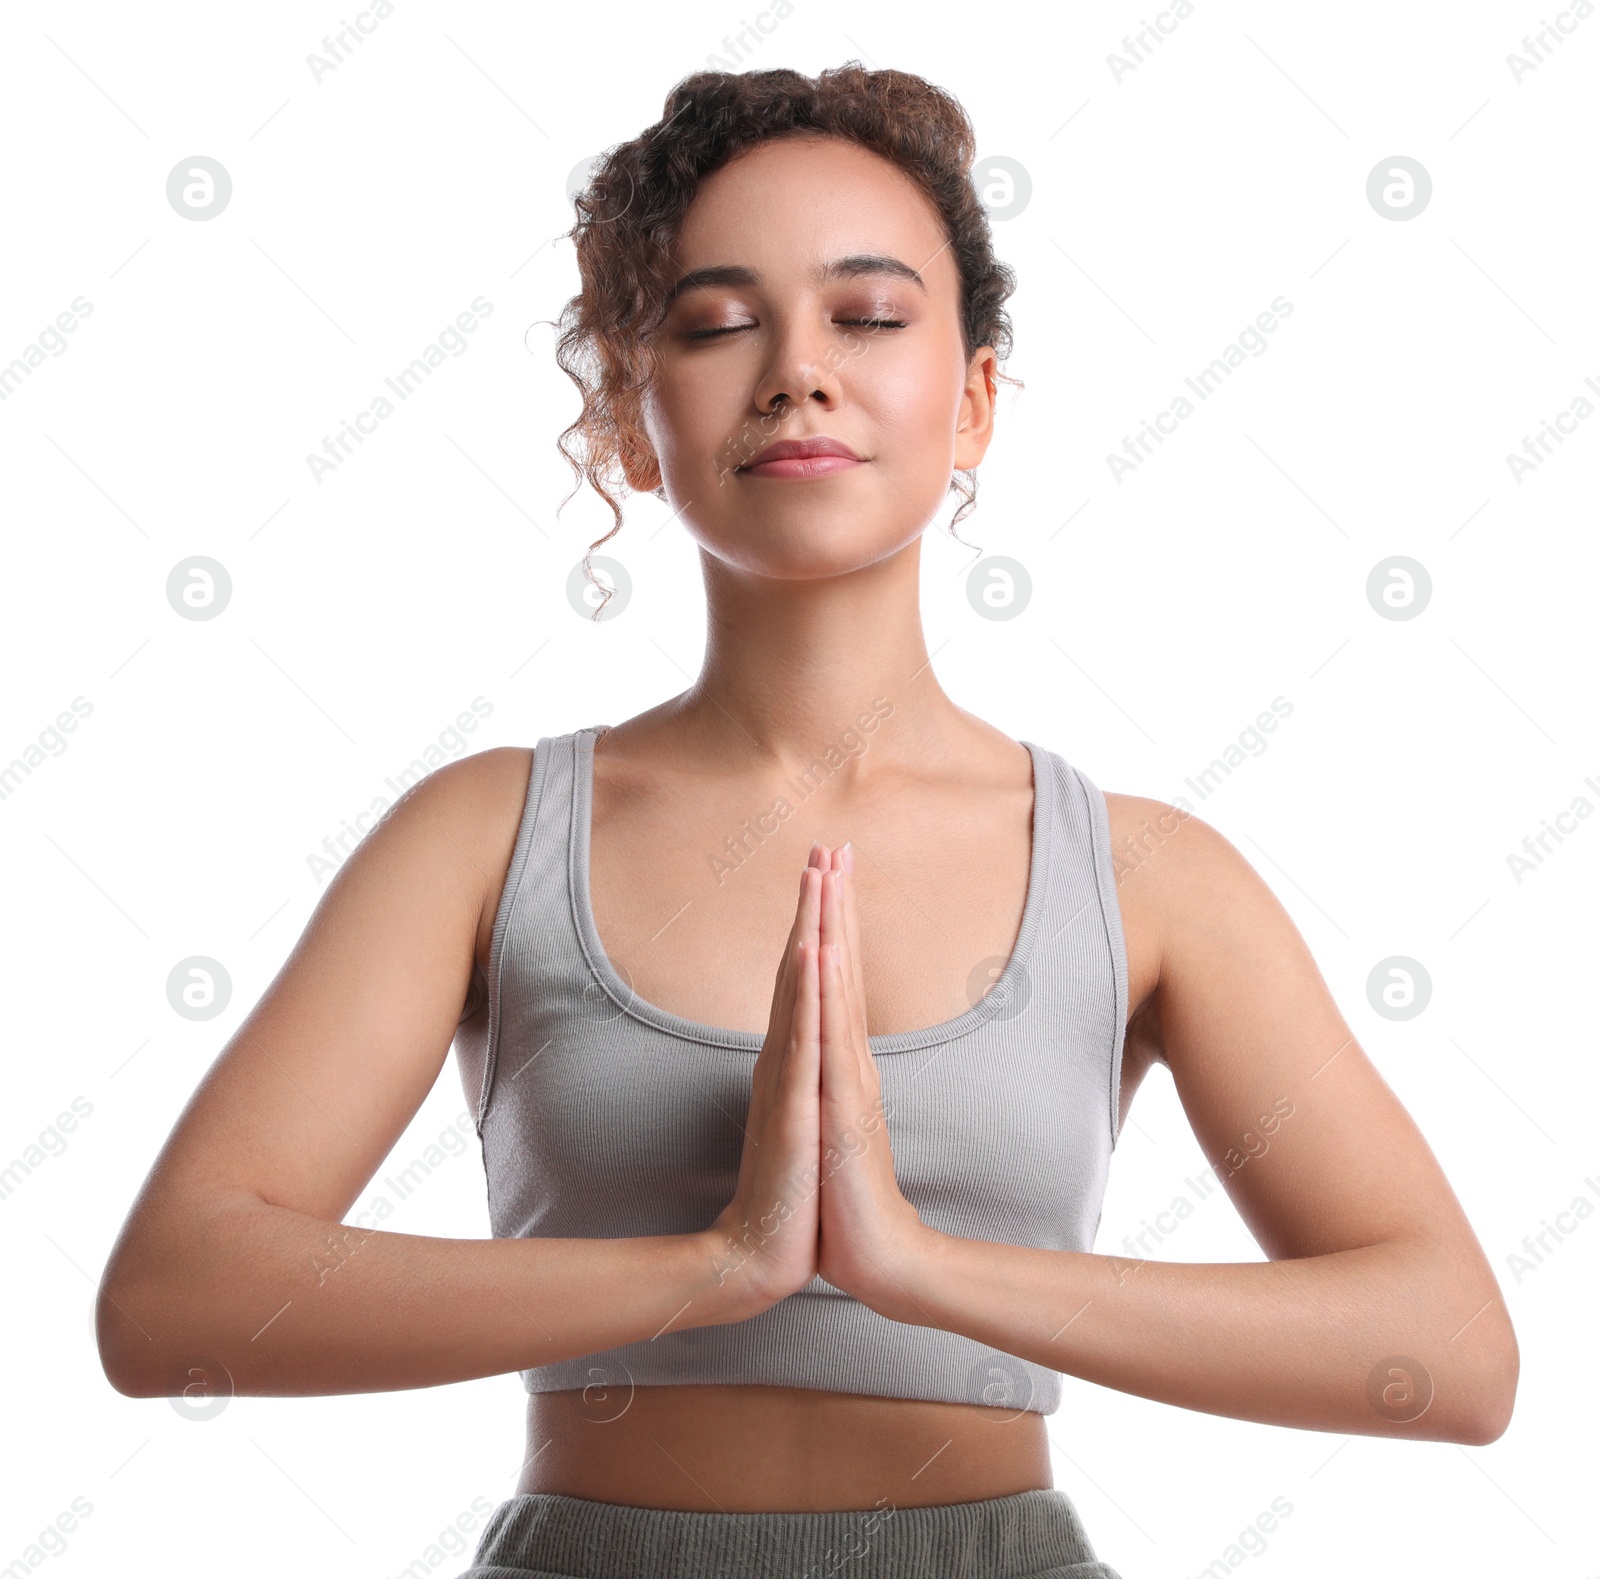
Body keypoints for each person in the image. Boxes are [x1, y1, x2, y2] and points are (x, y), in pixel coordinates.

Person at [96, 62, 1518, 1579]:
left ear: (972, 398)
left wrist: (922, 1266)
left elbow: (1450, 1351)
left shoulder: (1152, 877)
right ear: (632, 423)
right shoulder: (482, 838)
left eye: (870, 315)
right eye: (716, 324)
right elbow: (175, 1298)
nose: (795, 372)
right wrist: (710, 1267)